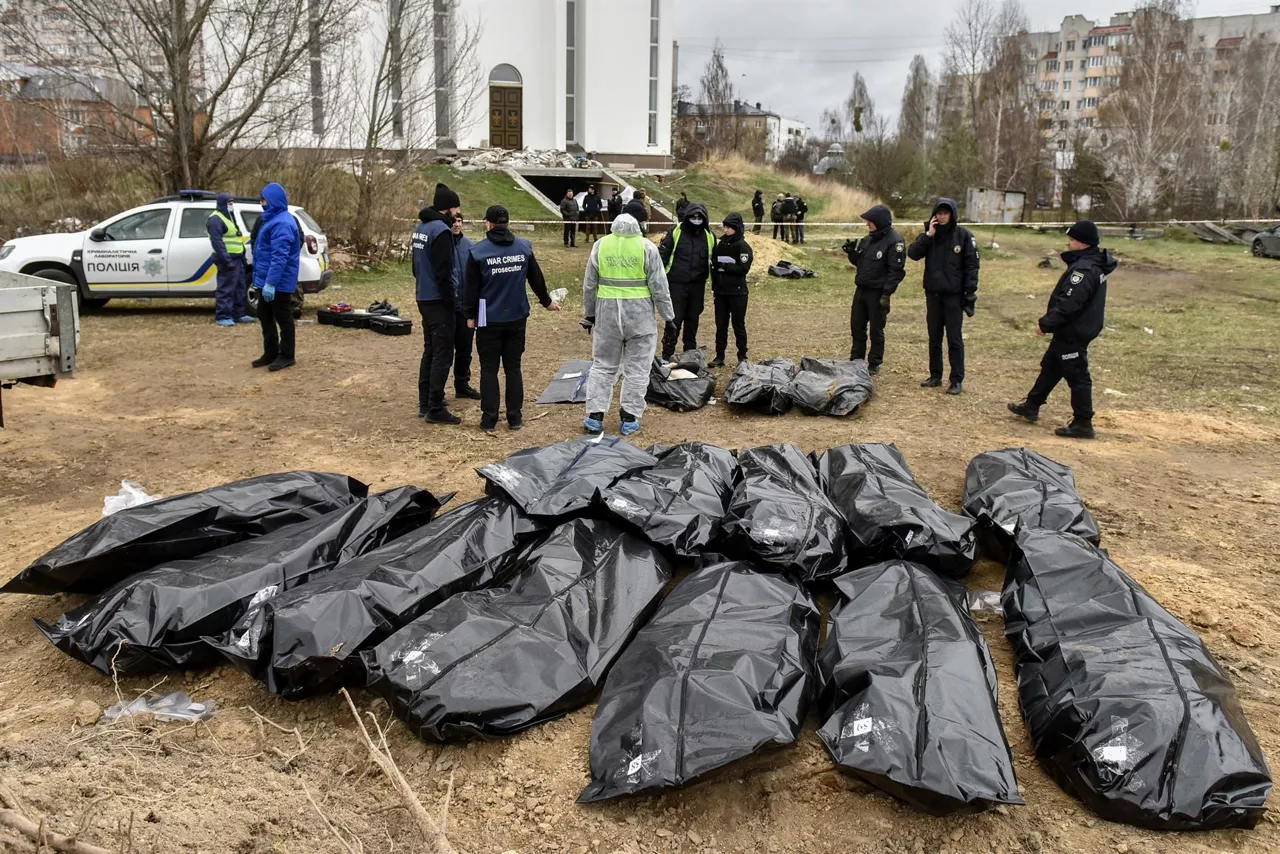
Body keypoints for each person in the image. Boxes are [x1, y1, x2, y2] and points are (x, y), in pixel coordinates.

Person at [1008, 220, 1115, 439]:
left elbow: (1069, 303)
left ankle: (1083, 422)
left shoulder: (1084, 270)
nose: (1069, 242)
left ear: (1083, 243)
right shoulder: (1089, 263)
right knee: (1052, 366)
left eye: (1073, 239)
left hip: (1075, 332)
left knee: (1077, 375)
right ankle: (1032, 404)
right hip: (1071, 330)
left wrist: (1046, 323)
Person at [463, 205, 561, 432]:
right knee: (513, 368)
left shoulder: (478, 252)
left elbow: (470, 289)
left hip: (488, 319)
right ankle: (515, 418)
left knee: (489, 369)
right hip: (517, 316)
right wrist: (547, 302)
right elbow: (536, 279)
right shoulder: (523, 248)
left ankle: (489, 419)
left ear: (487, 223)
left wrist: (470, 316)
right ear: (507, 223)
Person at [580, 213, 675, 436]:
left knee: (603, 365)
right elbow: (660, 285)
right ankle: (629, 416)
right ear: (639, 225)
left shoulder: (601, 246)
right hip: (640, 318)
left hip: (608, 316)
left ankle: (595, 415)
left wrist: (589, 315)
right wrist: (668, 317)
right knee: (638, 368)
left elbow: (589, 284)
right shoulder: (646, 247)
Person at [907, 198, 979, 395]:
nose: (941, 216)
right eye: (939, 213)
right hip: (933, 294)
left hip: (954, 296)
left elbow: (972, 266)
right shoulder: (931, 236)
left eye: (945, 213)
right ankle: (935, 375)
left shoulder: (963, 236)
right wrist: (928, 235)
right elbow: (912, 254)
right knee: (934, 337)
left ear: (952, 214)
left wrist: (969, 292)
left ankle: (956, 379)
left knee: (954, 339)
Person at [413, 182, 462, 424]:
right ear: (448, 208)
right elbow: (444, 272)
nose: (457, 213)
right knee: (442, 354)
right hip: (438, 300)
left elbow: (415, 267)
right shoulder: (441, 232)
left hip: (423, 295)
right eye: (456, 208)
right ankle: (435, 407)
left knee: (430, 350)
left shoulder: (421, 228)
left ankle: (425, 402)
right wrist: (450, 300)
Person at [843, 205, 906, 374]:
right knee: (857, 326)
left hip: (878, 292)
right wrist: (851, 253)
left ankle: (874, 362)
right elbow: (862, 263)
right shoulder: (869, 239)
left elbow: (896, 271)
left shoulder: (895, 242)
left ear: (879, 222)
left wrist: (887, 294)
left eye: (870, 221)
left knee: (876, 329)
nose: (867, 225)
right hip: (861, 289)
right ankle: (856, 359)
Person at [251, 182, 301, 372]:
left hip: (279, 281)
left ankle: (287, 355)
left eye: (264, 200)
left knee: (283, 316)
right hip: (266, 279)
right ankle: (271, 351)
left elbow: (279, 257)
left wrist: (271, 283)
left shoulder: (282, 222)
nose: (262, 203)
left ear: (273, 201)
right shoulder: (271, 219)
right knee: (264, 314)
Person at [658, 202, 714, 361]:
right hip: (676, 283)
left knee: (693, 320)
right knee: (674, 320)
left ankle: (689, 354)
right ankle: (666, 356)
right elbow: (662, 256)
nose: (696, 220)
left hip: (698, 285)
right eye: (693, 217)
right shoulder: (675, 232)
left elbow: (714, 260)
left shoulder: (709, 236)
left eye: (699, 217)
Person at [711, 212, 753, 368]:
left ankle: (742, 356)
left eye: (729, 227)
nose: (726, 230)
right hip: (721, 292)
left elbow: (743, 268)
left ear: (737, 228)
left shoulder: (743, 247)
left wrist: (724, 266)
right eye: (725, 227)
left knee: (738, 325)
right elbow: (713, 263)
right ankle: (719, 356)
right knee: (720, 326)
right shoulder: (721, 244)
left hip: (738, 293)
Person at [207, 193, 253, 327]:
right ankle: (223, 315)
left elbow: (236, 238)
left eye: (232, 203)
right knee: (226, 288)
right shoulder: (215, 219)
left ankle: (239, 314)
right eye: (229, 203)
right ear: (223, 204)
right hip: (226, 259)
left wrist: (242, 257)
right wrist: (227, 260)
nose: (232, 206)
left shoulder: (230, 217)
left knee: (240, 287)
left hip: (237, 258)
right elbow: (217, 242)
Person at [449, 214, 481, 401]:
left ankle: (462, 385)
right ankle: (436, 392)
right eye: (454, 221)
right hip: (447, 307)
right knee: (444, 352)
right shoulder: (442, 244)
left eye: (460, 221)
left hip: (465, 307)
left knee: (465, 349)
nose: (457, 224)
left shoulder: (470, 246)